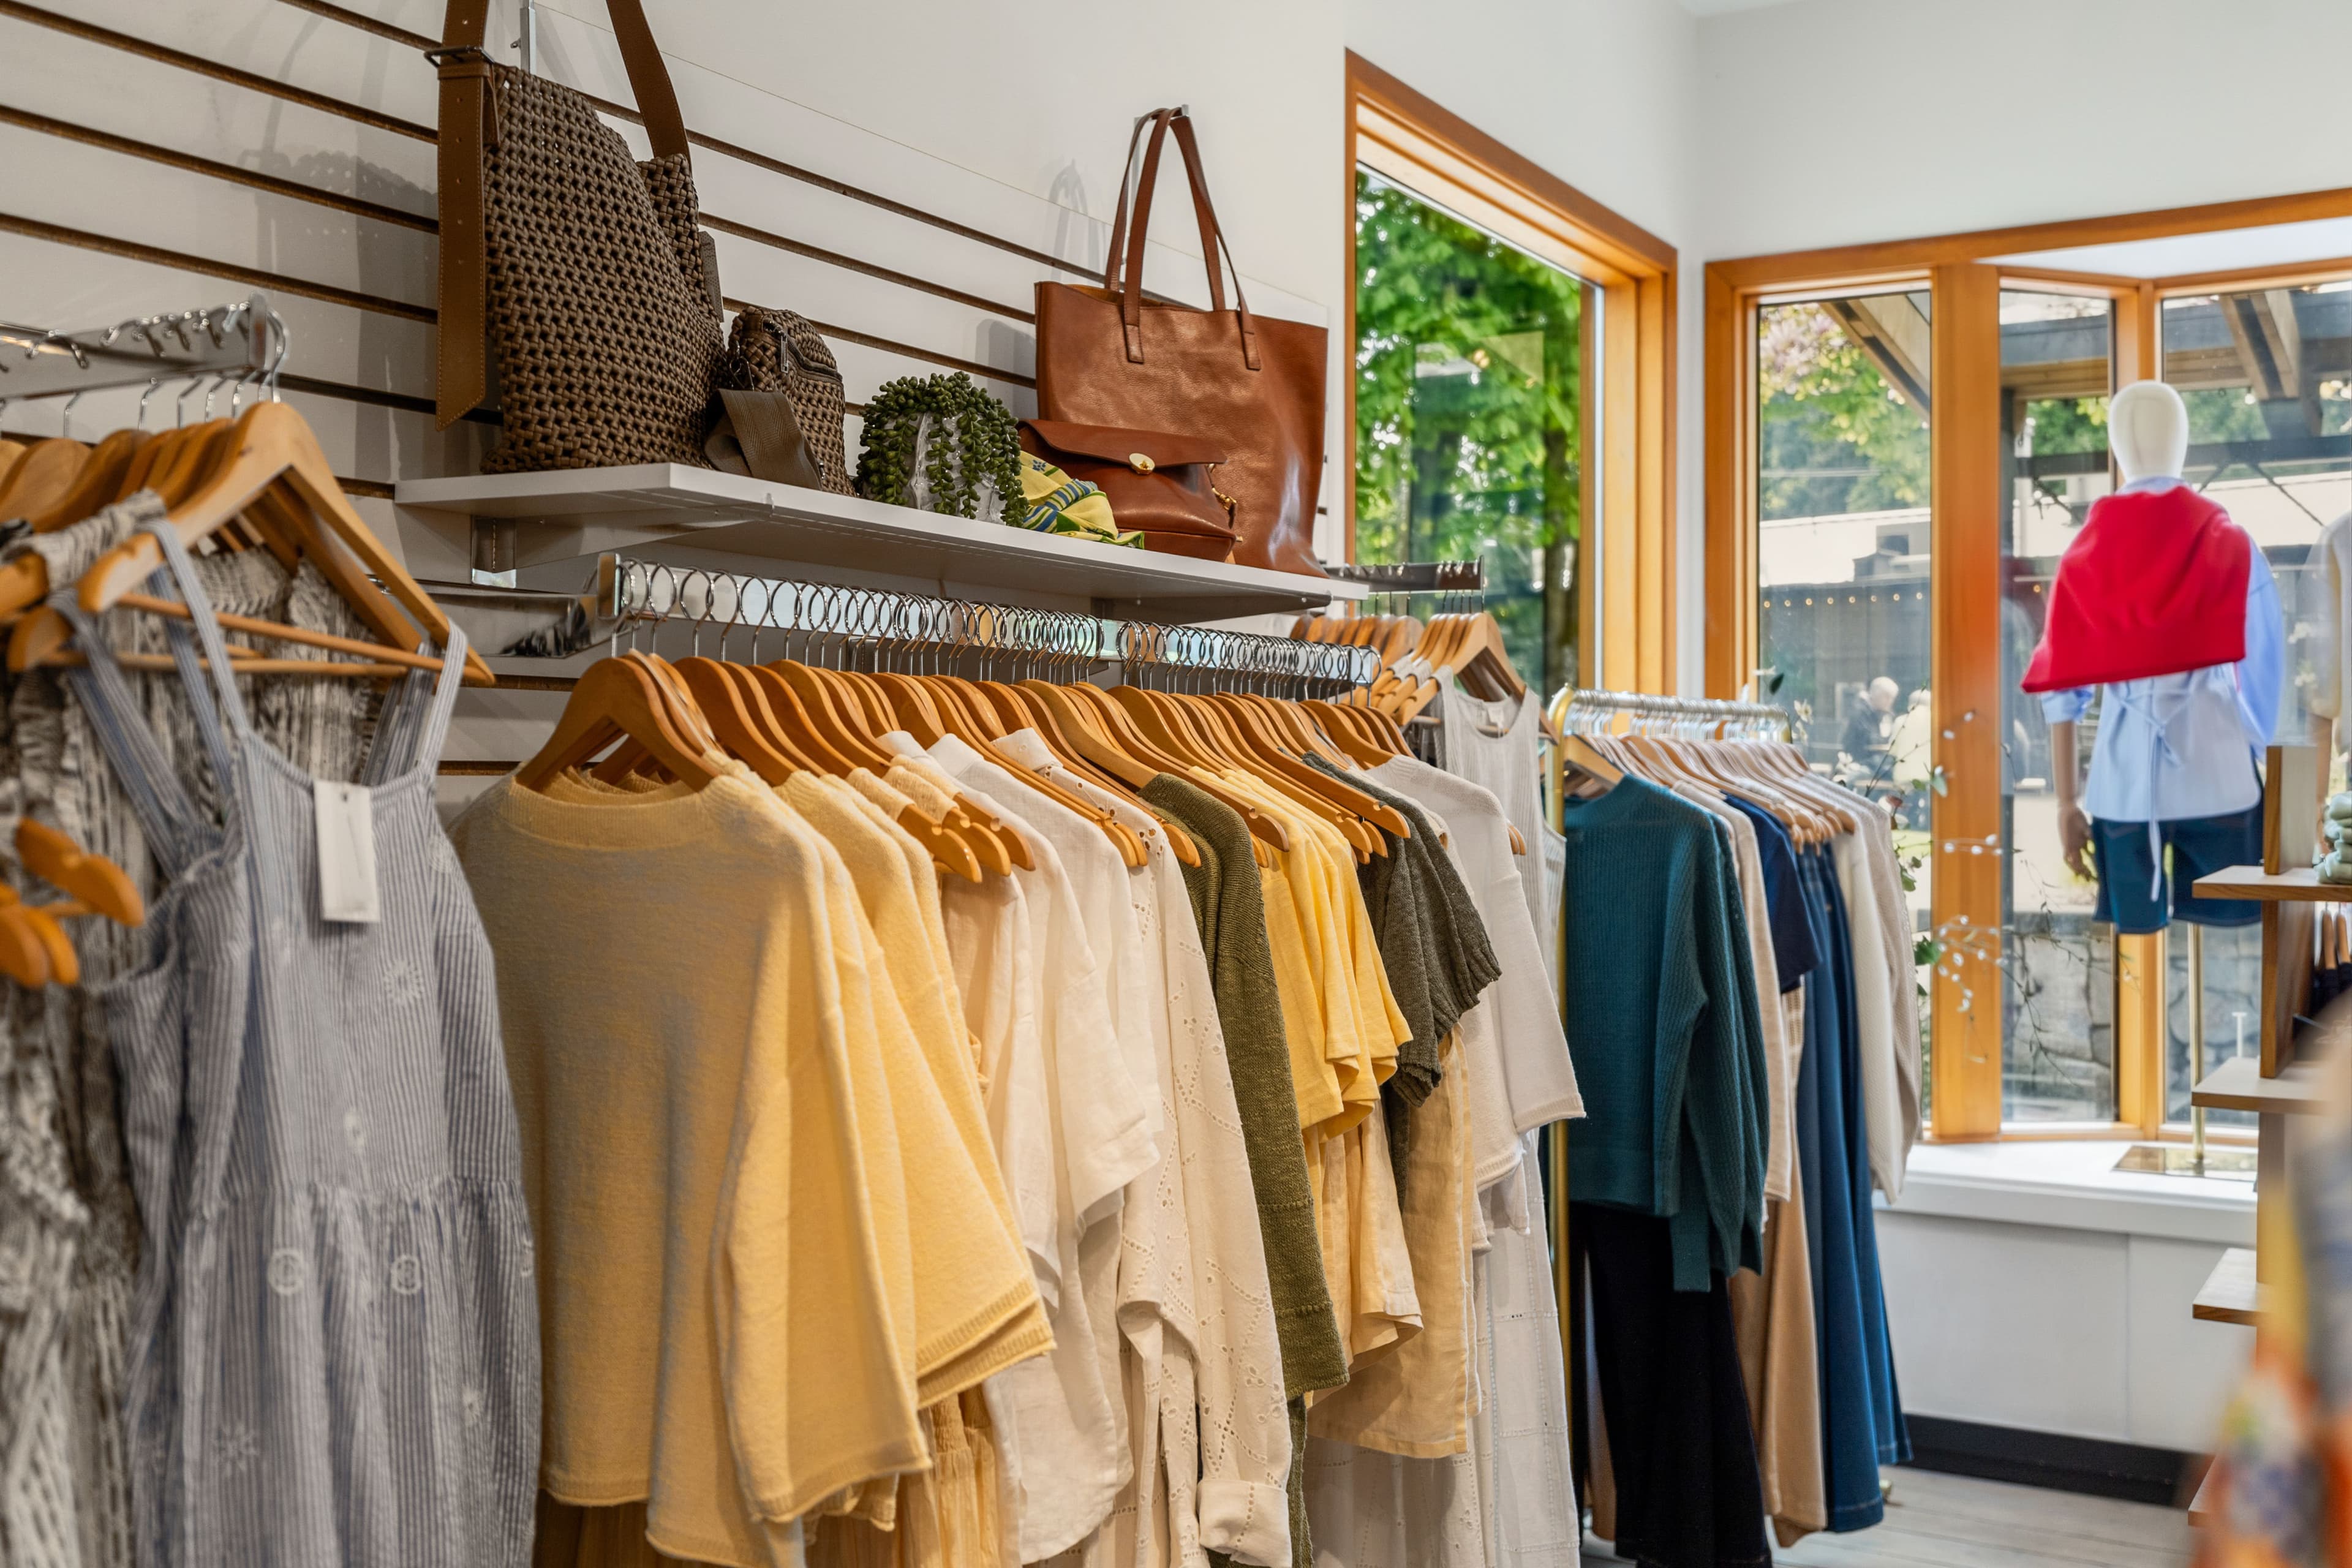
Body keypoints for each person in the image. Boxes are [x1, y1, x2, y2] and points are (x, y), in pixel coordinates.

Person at [1841, 676, 1898, 773]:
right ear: (1875, 695)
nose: (1890, 701)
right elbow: (1869, 740)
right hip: (1862, 763)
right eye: (1887, 697)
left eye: (1892, 698)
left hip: (1873, 762)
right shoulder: (1860, 713)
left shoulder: (1882, 714)